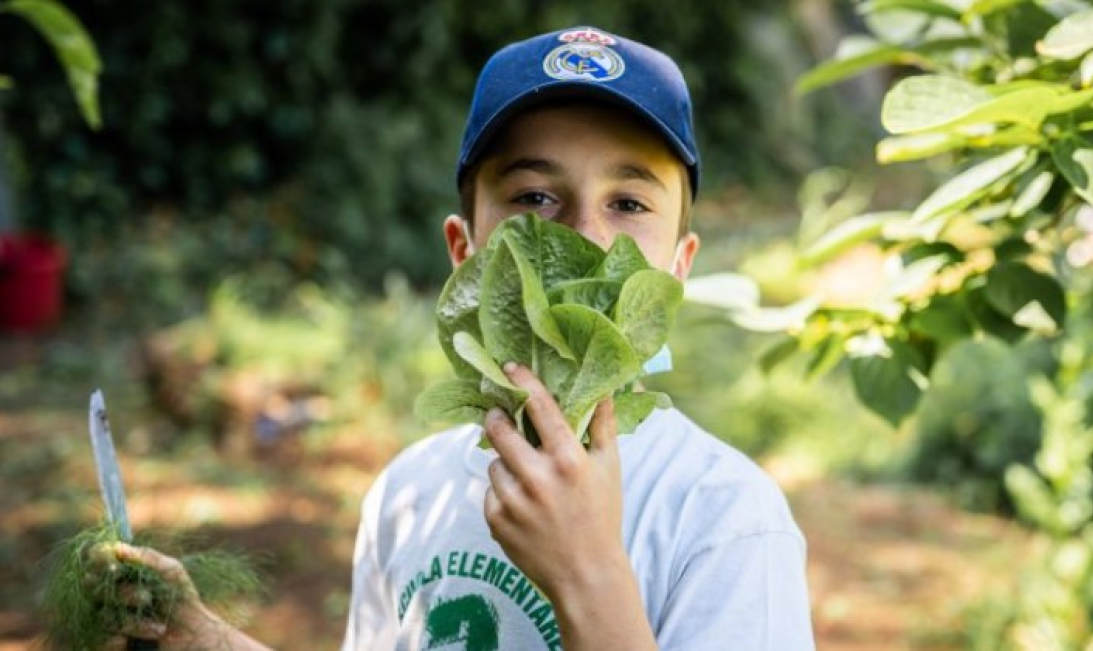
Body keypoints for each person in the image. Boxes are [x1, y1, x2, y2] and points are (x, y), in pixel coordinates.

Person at [106, 26, 815, 650]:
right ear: (465, 250)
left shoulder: (724, 516)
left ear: (678, 269)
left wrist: (587, 569)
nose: (585, 232)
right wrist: (202, 640)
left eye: (628, 203)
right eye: (534, 196)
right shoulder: (409, 494)